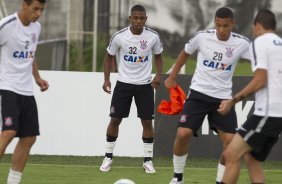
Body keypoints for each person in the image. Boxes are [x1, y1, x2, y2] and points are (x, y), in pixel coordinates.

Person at [165, 7, 263, 184]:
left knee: (231, 143)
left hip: (223, 99)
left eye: (225, 26)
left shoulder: (242, 43)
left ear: (233, 24)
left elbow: (259, 60)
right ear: (215, 23)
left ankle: (220, 181)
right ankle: (178, 177)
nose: (221, 30)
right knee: (182, 134)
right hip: (198, 94)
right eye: (218, 25)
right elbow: (186, 52)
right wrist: (172, 75)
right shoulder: (202, 37)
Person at [218, 9, 282, 184]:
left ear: (257, 25)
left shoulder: (260, 42)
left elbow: (260, 80)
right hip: (277, 114)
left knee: (231, 154)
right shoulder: (280, 44)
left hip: (267, 114)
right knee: (251, 157)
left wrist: (233, 100)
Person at [100, 4, 163, 173]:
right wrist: (106, 79)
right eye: (135, 18)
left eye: (141, 18)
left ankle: (148, 161)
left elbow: (158, 56)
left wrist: (158, 75)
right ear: (130, 18)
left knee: (147, 122)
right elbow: (108, 57)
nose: (138, 21)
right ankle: (107, 157)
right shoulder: (120, 37)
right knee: (115, 120)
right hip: (124, 84)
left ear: (145, 19)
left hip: (145, 85)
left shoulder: (153, 37)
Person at [0, 0, 49, 183]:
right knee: (9, 131)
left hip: (26, 90)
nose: (38, 13)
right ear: (24, 5)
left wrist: (37, 78)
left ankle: (13, 181)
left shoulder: (36, 28)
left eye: (41, 10)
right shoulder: (7, 26)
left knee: (29, 138)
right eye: (35, 9)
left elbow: (30, 53)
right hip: (6, 87)